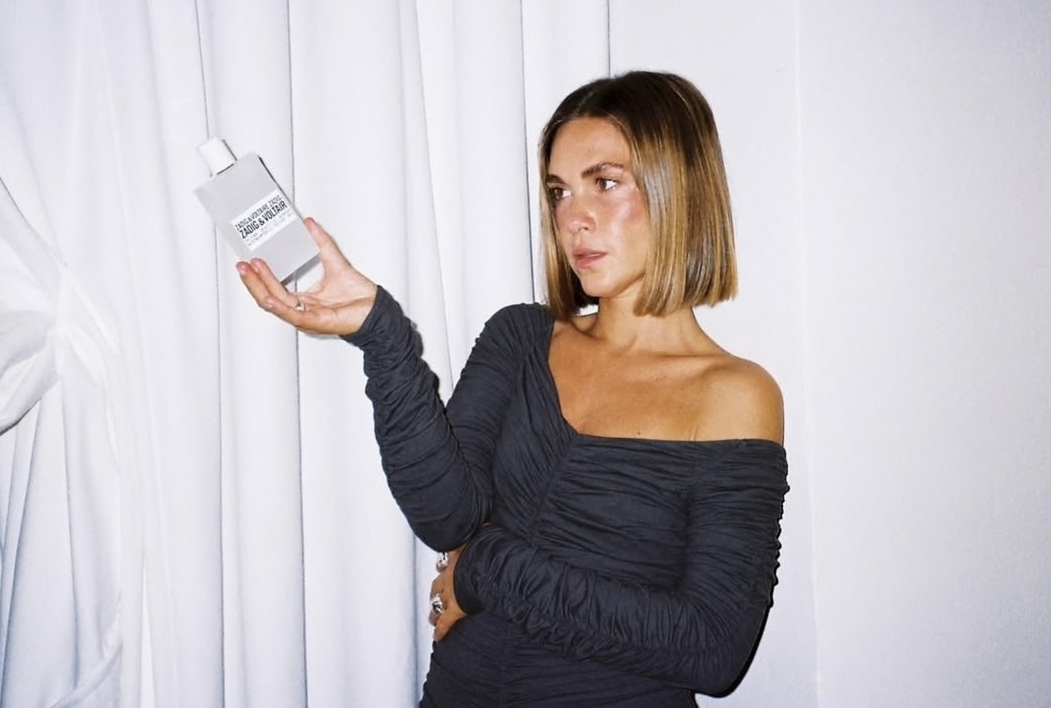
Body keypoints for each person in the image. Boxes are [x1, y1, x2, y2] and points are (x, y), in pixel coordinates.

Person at [237, 70, 788, 707]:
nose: (573, 217)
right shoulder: (522, 337)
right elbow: (447, 515)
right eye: (558, 192)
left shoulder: (735, 395)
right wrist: (380, 335)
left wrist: (485, 571)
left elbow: (711, 651)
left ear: (680, 190)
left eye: (604, 183)